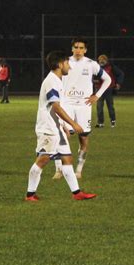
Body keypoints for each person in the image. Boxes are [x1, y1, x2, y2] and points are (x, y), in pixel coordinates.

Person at [25, 50, 97, 202]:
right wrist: (73, 123)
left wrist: (63, 125)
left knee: (67, 158)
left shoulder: (57, 81)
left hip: (56, 128)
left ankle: (76, 193)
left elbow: (56, 108)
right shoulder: (52, 81)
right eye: (66, 63)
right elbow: (55, 106)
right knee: (43, 159)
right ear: (59, 64)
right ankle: (30, 195)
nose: (69, 67)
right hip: (48, 129)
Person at [53, 37, 111, 180]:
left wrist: (96, 96)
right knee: (63, 136)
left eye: (81, 48)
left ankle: (78, 170)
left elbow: (108, 79)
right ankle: (59, 169)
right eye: (76, 47)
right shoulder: (65, 62)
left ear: (85, 50)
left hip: (84, 106)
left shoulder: (91, 64)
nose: (78, 50)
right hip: (66, 104)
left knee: (83, 138)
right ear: (72, 48)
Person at [95, 54, 124, 128]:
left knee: (110, 106)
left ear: (106, 61)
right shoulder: (96, 68)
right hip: (99, 89)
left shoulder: (111, 67)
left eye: (103, 60)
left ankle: (113, 121)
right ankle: (100, 123)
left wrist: (118, 83)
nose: (101, 61)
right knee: (99, 106)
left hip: (109, 89)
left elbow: (120, 74)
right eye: (100, 60)